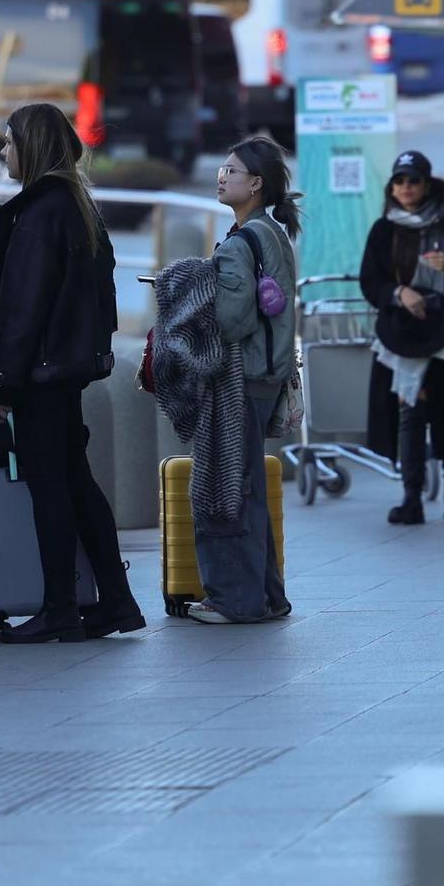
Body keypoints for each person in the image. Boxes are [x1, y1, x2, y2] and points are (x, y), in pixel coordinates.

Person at [0, 103, 140, 643]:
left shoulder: (39, 213)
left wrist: (1, 382)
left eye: (8, 141)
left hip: (40, 375)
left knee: (49, 488)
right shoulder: (77, 205)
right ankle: (115, 602)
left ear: (31, 147)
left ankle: (58, 605)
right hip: (68, 370)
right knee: (76, 481)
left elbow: (21, 308)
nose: (3, 151)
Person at [188, 134, 300, 621]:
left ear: (255, 184)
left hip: (239, 378)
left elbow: (232, 321)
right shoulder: (273, 234)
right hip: (267, 375)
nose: (221, 176)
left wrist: (196, 297)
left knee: (228, 490)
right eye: (222, 168)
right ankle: (268, 596)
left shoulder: (240, 245)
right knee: (250, 486)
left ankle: (236, 599)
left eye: (231, 171)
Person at [359, 149, 444, 526]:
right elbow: (370, 280)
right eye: (400, 180)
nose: (406, 187)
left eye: (414, 180)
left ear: (427, 183)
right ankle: (412, 496)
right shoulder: (385, 228)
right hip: (404, 335)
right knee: (410, 412)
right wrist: (399, 293)